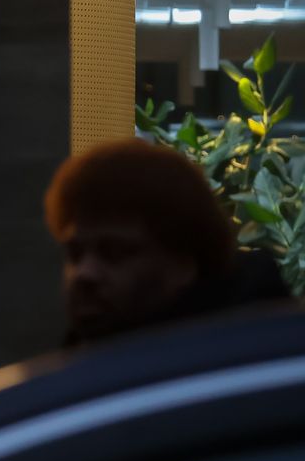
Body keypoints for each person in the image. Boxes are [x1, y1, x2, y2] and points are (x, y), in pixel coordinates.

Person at [46, 139, 291, 344]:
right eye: (75, 253)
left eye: (114, 253)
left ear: (183, 264)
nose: (85, 273)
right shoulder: (85, 368)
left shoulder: (238, 363)